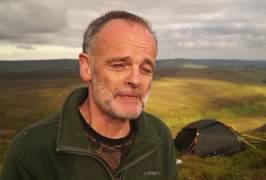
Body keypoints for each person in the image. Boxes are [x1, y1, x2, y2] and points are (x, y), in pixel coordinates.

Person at [1, 10, 177, 180]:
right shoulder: (31, 150)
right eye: (119, 65)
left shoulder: (159, 136)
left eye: (146, 69)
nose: (136, 80)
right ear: (86, 68)